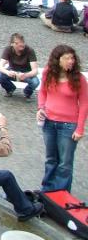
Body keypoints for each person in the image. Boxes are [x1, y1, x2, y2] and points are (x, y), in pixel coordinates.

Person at [37, 45, 87, 193]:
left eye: (72, 58)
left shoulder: (79, 79)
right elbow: (42, 92)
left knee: (65, 163)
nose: (70, 61)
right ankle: (47, 191)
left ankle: (61, 194)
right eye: (67, 58)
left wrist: (80, 128)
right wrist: (41, 107)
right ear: (57, 60)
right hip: (49, 122)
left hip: (68, 125)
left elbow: (84, 104)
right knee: (51, 159)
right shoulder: (48, 73)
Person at [0, 33, 40, 99]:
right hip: (12, 71)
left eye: (22, 42)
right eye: (17, 43)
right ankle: (10, 89)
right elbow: (0, 66)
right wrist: (7, 72)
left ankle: (27, 92)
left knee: (35, 82)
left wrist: (25, 75)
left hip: (26, 72)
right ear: (12, 44)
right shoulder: (8, 49)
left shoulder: (30, 50)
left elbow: (35, 70)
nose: (21, 44)